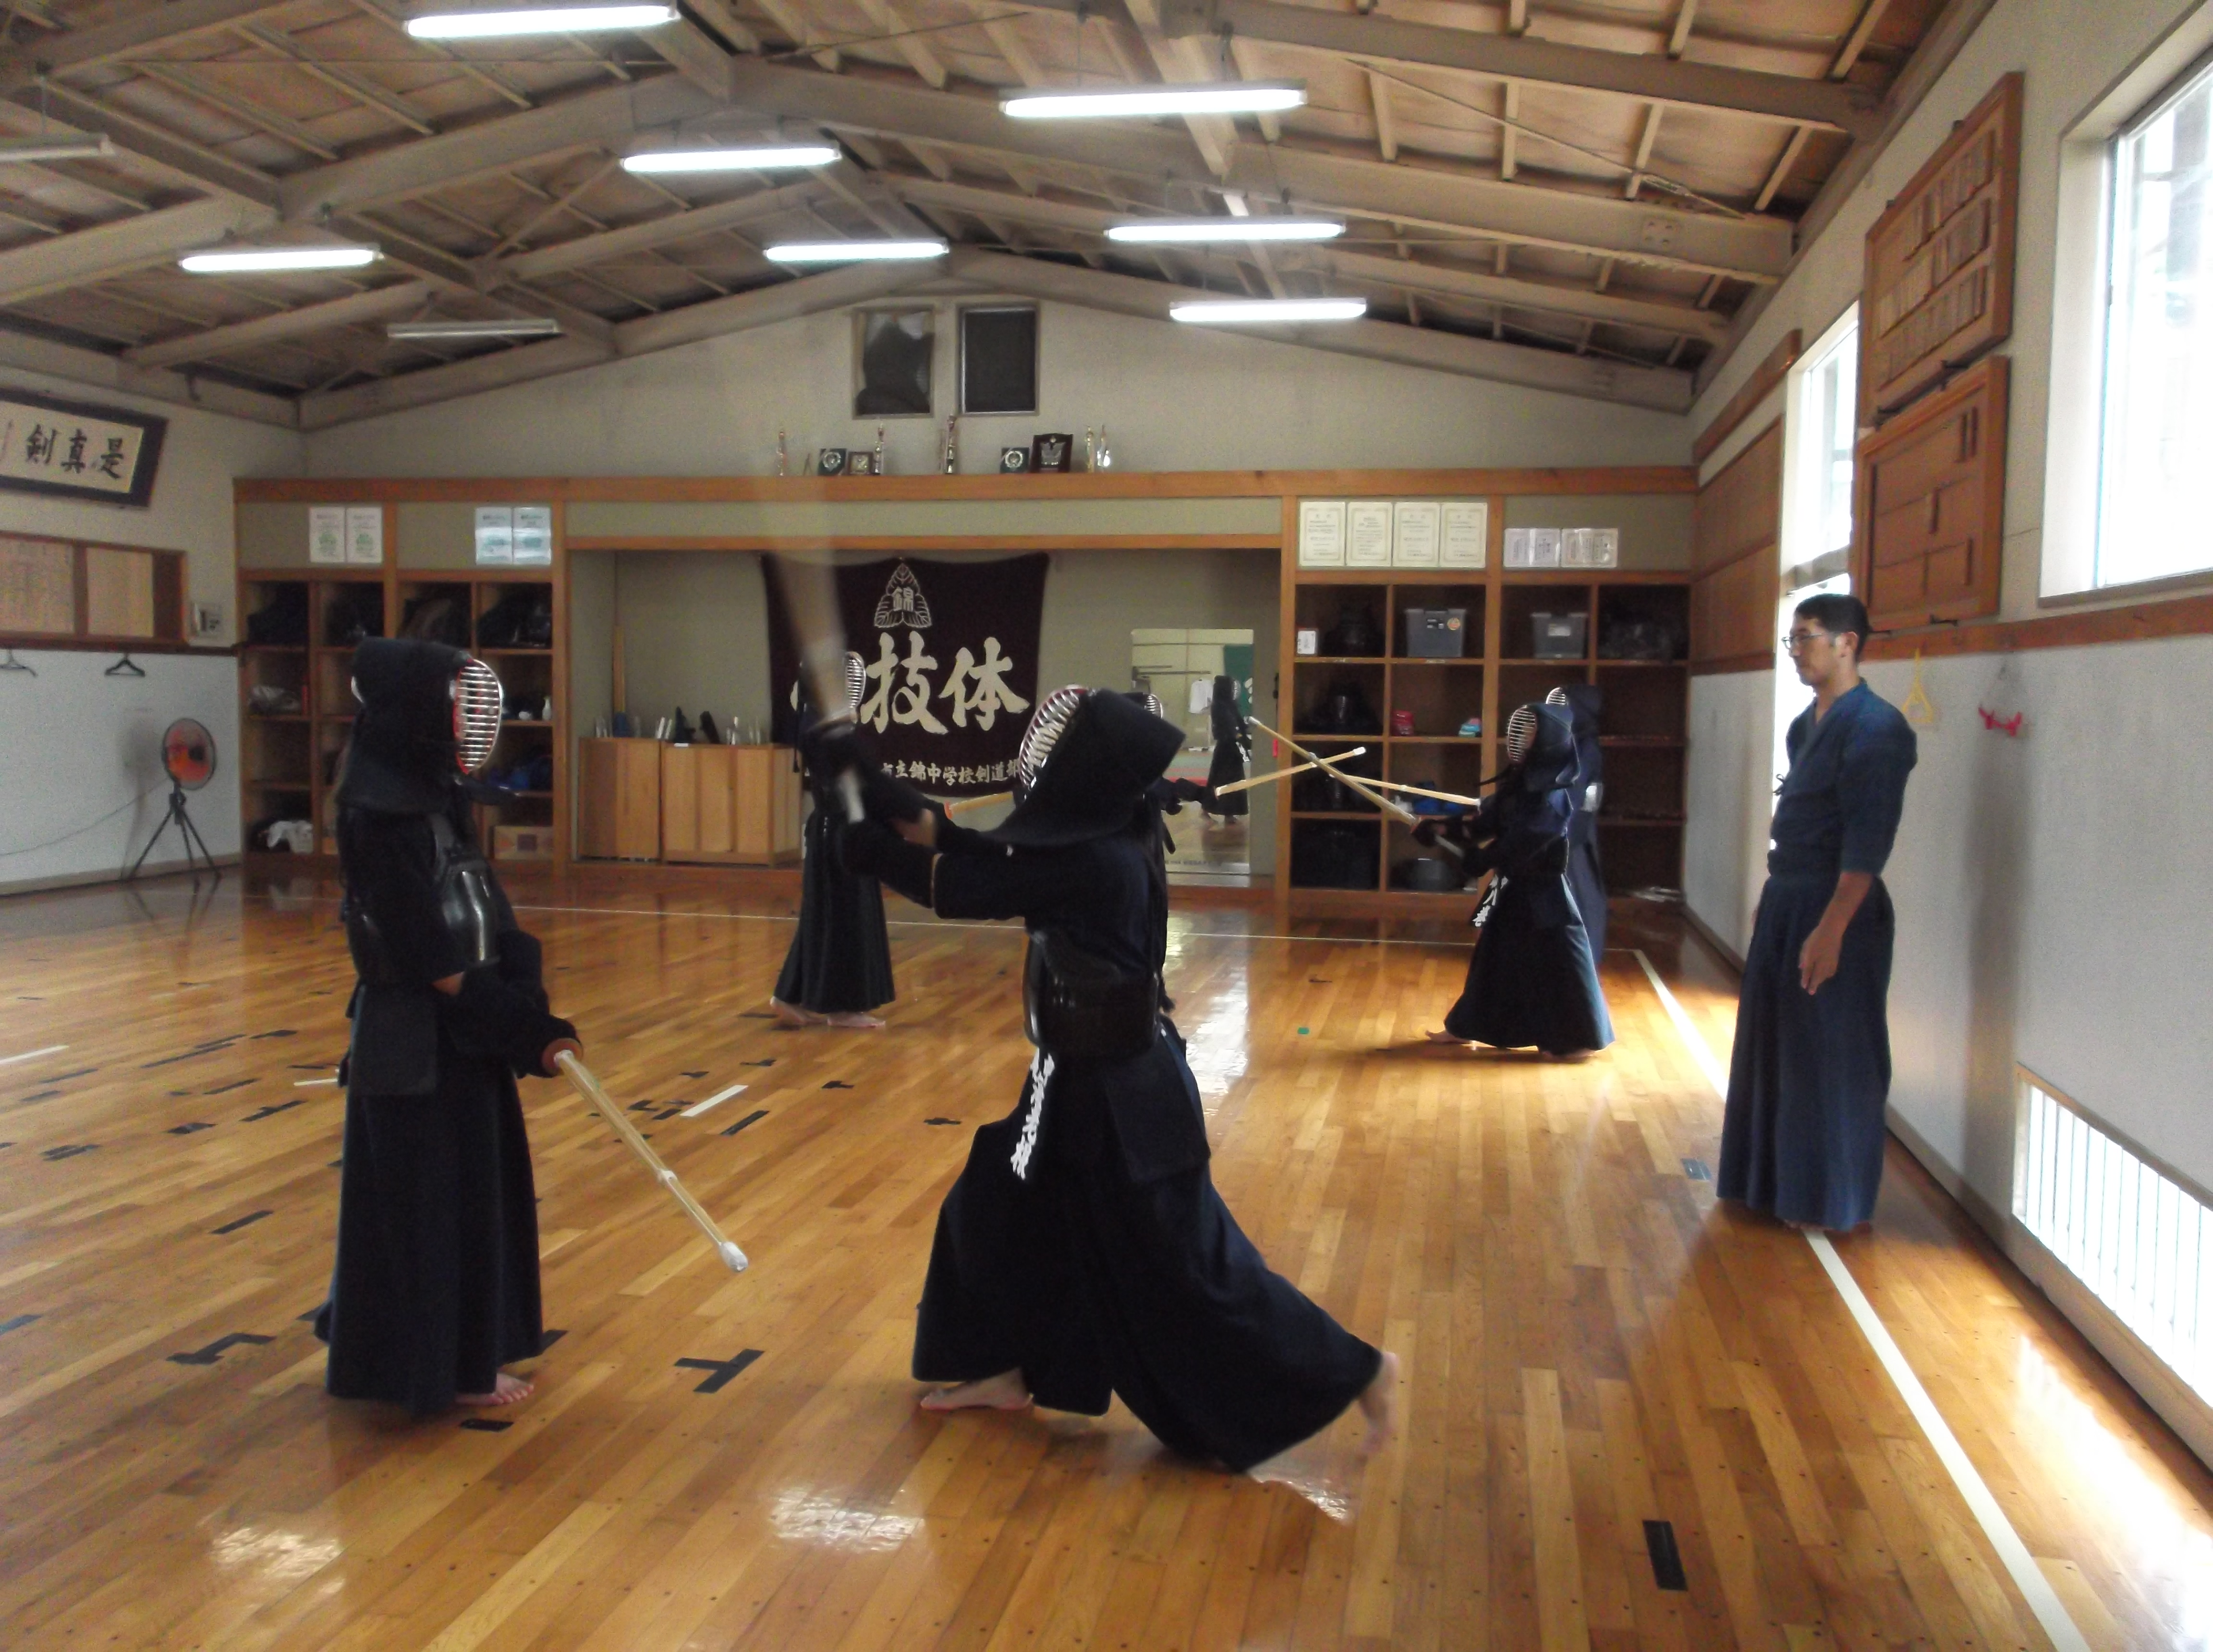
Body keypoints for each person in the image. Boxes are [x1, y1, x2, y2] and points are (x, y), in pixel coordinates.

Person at [836, 687, 1398, 1471]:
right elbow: (991, 853)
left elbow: (965, 885)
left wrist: (872, 850)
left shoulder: (1092, 860)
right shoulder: (1111, 825)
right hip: (1073, 1080)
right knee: (996, 1206)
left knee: (1193, 1265)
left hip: (1126, 1100)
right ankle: (1004, 1367)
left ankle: (1353, 1368)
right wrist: (879, 787)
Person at [316, 638, 579, 1415]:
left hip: (464, 1037)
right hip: (414, 1045)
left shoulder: (437, 797)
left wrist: (525, 992)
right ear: (417, 711)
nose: (468, 721)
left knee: (474, 1197)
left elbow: (484, 910)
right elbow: (430, 958)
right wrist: (518, 1026)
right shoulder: (377, 818)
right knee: (425, 1212)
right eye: (455, 705)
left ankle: (461, 1346)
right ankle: (442, 1367)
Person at [1718, 593, 1917, 1232]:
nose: (1797, 651)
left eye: (1806, 637)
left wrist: (1832, 927)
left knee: (1833, 1052)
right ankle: (1771, 1184)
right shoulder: (1806, 726)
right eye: (1793, 640)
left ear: (1847, 643)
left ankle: (1830, 1200)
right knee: (1778, 1044)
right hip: (1791, 894)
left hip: (1841, 906)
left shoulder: (1878, 729)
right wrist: (1774, 898)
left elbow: (1867, 842)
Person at [1422, 701, 1613, 1058]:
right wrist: (1442, 829)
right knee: (1493, 955)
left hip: (1544, 892)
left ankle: (1578, 1039)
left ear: (1549, 740)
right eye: (1520, 731)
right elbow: (1487, 822)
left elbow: (1525, 841)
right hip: (1512, 886)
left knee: (1563, 960)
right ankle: (1465, 1026)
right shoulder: (1520, 783)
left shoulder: (1554, 795)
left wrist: (1484, 858)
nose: (1520, 739)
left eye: (1530, 733)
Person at [771, 652, 895, 1030]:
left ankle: (788, 995)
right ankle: (843, 1009)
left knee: (822, 917)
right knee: (844, 918)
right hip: (839, 833)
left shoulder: (820, 723)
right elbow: (850, 783)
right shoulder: (821, 728)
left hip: (836, 830)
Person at [1546, 683, 1608, 959]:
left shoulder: (1586, 748)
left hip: (1573, 830)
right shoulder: (1575, 743)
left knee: (1582, 895)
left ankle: (1585, 956)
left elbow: (1574, 793)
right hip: (1570, 828)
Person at [1203, 673, 1249, 820]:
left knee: (1233, 778)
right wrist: (1239, 736)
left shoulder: (1230, 705)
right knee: (1222, 778)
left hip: (1233, 747)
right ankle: (1214, 809)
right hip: (1225, 747)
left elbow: (1239, 722)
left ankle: (1228, 812)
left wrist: (1245, 731)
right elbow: (1228, 725)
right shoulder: (1218, 706)